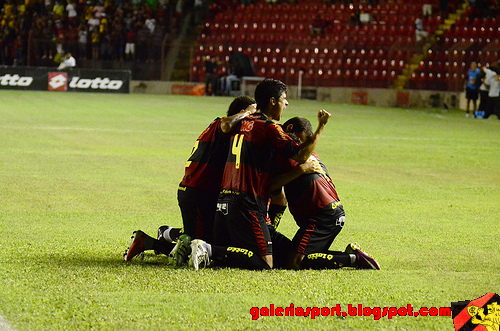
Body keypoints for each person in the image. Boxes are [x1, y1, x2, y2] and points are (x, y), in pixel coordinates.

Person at [210, 79, 331, 269]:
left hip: (225, 198)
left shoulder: (241, 123)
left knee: (272, 253)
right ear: (273, 101)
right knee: (266, 264)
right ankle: (208, 250)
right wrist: (321, 127)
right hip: (248, 202)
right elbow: (301, 155)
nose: (287, 103)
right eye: (284, 99)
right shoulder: (269, 127)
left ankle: (209, 250)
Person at [124, 96, 257, 263]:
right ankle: (147, 242)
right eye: (253, 112)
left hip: (195, 189)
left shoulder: (216, 129)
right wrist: (245, 114)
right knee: (199, 246)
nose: (254, 117)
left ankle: (166, 233)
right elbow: (227, 124)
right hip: (199, 192)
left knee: (207, 239)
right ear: (241, 112)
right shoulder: (222, 124)